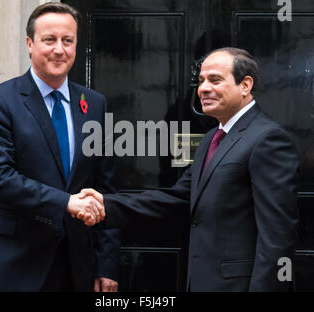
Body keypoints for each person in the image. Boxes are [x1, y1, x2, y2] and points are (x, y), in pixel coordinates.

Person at [78, 47, 300, 291]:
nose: (203, 88)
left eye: (215, 80)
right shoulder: (211, 139)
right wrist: (105, 205)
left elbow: (277, 237)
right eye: (201, 81)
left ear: (245, 85)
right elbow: (177, 197)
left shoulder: (268, 139)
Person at [0, 2, 119, 292]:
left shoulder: (95, 104)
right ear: (30, 44)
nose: (59, 49)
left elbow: (105, 188)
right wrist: (66, 202)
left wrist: (106, 263)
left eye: (67, 40)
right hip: (10, 264)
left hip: (74, 266)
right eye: (49, 40)